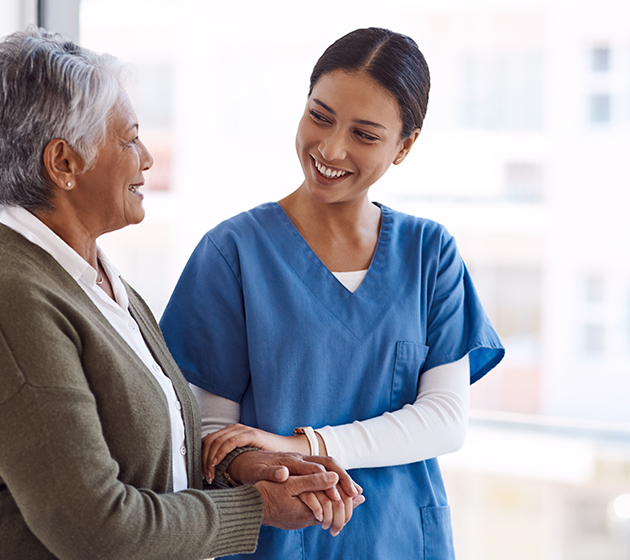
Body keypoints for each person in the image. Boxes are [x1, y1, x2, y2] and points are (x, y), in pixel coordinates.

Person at [0, 26, 363, 560]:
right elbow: (97, 529)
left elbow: (133, 452)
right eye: (128, 139)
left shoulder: (93, 279)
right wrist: (256, 506)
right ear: (63, 164)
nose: (146, 158)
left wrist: (239, 466)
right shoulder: (12, 299)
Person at [159, 27, 505, 559]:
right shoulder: (232, 253)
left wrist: (306, 445)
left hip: (401, 539)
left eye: (365, 135)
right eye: (320, 116)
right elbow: (214, 435)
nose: (331, 148)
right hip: (278, 540)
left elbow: (444, 419)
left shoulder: (429, 253)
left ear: (405, 146)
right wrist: (269, 463)